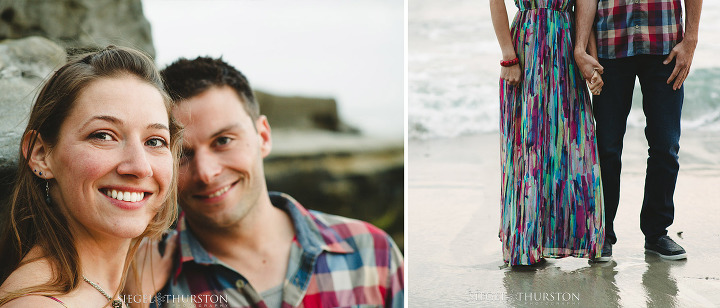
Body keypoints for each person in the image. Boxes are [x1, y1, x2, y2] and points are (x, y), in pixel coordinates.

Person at [144, 57, 404, 307]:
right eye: (181, 154)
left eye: (223, 140)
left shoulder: (372, 253)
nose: (206, 172)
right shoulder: (145, 282)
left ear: (264, 137)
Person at [0, 46, 181, 307]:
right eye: (103, 136)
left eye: (154, 141)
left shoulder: (104, 292)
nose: (140, 167)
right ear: (40, 154)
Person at [574, 0, 702, 261]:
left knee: (666, 145)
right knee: (606, 147)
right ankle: (603, 233)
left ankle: (656, 233)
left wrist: (690, 40)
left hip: (664, 44)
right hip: (611, 44)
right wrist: (582, 47)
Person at [490, 0, 607, 266]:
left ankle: (575, 238)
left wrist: (590, 58)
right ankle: (526, 242)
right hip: (526, 47)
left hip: (566, 48)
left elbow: (583, 8)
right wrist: (508, 56)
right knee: (526, 145)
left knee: (571, 146)